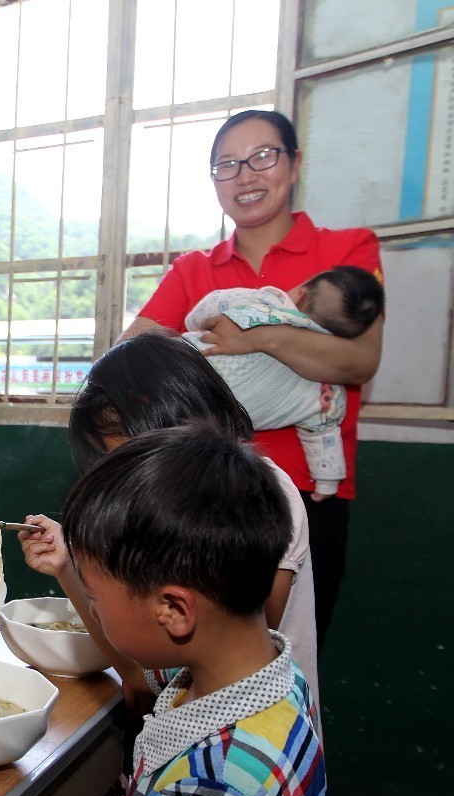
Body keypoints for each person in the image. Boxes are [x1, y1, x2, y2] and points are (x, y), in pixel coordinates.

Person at [122, 109, 383, 648]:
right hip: (198, 498)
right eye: (226, 165)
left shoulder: (346, 252)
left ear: (294, 164)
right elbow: (129, 355)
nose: (245, 175)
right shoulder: (194, 269)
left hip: (308, 501)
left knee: (283, 662)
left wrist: (255, 337)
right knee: (183, 663)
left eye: (263, 157)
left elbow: (357, 362)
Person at [58, 426, 325, 796]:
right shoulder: (270, 680)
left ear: (176, 611)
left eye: (94, 598)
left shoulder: (216, 783)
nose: (92, 610)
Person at [29, 332, 319, 707]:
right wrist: (70, 566)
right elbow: (140, 675)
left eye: (129, 456)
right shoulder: (168, 503)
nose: (123, 474)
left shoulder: (255, 494)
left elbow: (156, 674)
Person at [183, 265, 385, 500]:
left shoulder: (265, 304)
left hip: (181, 374)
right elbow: (323, 437)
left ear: (301, 294)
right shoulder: (325, 393)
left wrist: (194, 322)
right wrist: (327, 481)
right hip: (211, 425)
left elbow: (205, 310)